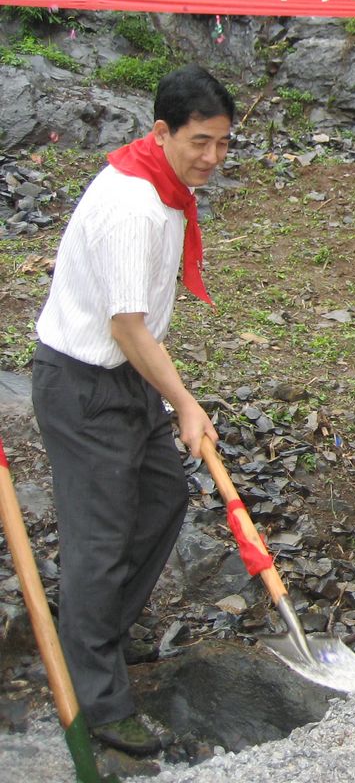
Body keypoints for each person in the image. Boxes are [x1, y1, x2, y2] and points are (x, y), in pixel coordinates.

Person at [30, 64, 234, 756]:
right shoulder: (134, 205)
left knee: (162, 496)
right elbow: (126, 324)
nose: (211, 157)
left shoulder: (165, 185)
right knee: (99, 540)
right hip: (84, 383)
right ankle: (100, 702)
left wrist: (163, 395)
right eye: (199, 141)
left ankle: (98, 634)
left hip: (125, 379)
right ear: (160, 131)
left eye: (222, 144)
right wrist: (184, 401)